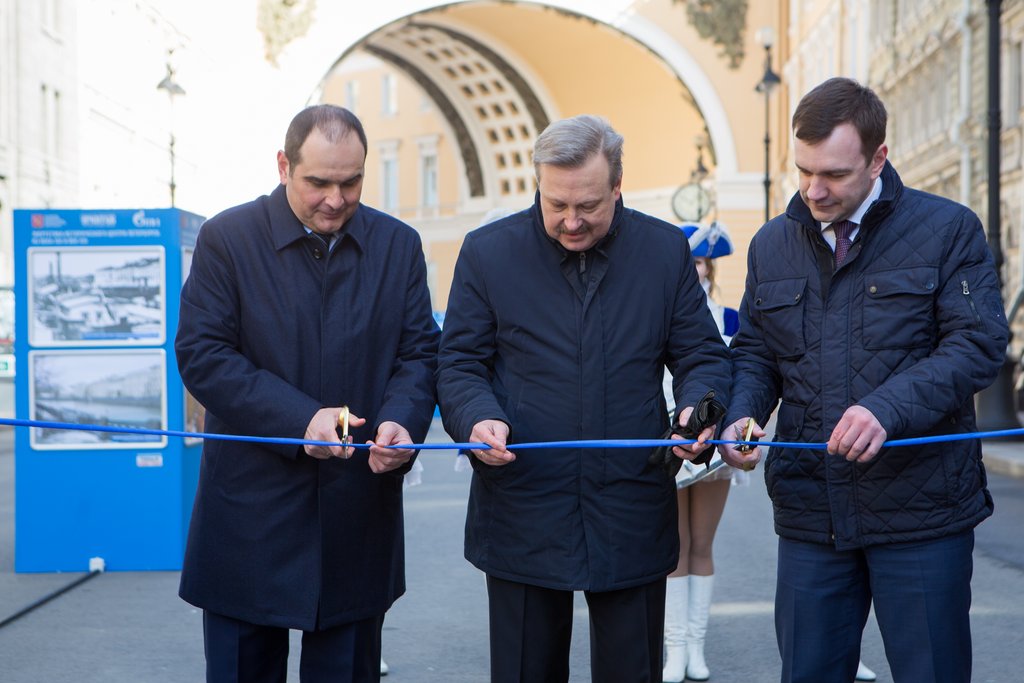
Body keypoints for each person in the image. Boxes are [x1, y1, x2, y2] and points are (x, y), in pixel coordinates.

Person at [717, 77, 1009, 683]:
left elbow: (979, 344)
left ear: (878, 158)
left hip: (923, 512)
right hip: (810, 513)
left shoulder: (949, 229)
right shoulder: (772, 244)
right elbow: (755, 353)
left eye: (834, 175)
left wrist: (887, 409)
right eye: (803, 170)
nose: (814, 190)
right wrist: (741, 414)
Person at [436, 114, 732, 682]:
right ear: (538, 187)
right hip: (521, 502)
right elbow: (458, 364)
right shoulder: (486, 253)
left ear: (617, 186)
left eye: (589, 206)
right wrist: (477, 418)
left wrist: (700, 408)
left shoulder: (662, 250)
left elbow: (703, 357)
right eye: (556, 204)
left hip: (631, 506)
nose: (571, 221)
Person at [175, 104, 439, 683]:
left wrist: (401, 422)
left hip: (354, 507)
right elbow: (204, 355)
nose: (336, 199)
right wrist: (301, 420)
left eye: (352, 182)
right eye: (318, 182)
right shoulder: (228, 239)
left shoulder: (397, 245)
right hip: (248, 510)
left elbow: (420, 354)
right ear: (282, 166)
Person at [662, 221, 747, 683]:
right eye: (687, 261)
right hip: (674, 439)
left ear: (709, 266)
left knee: (702, 543)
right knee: (674, 546)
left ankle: (696, 646)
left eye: (699, 261)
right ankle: (675, 649)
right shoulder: (662, 310)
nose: (694, 269)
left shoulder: (729, 317)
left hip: (715, 444)